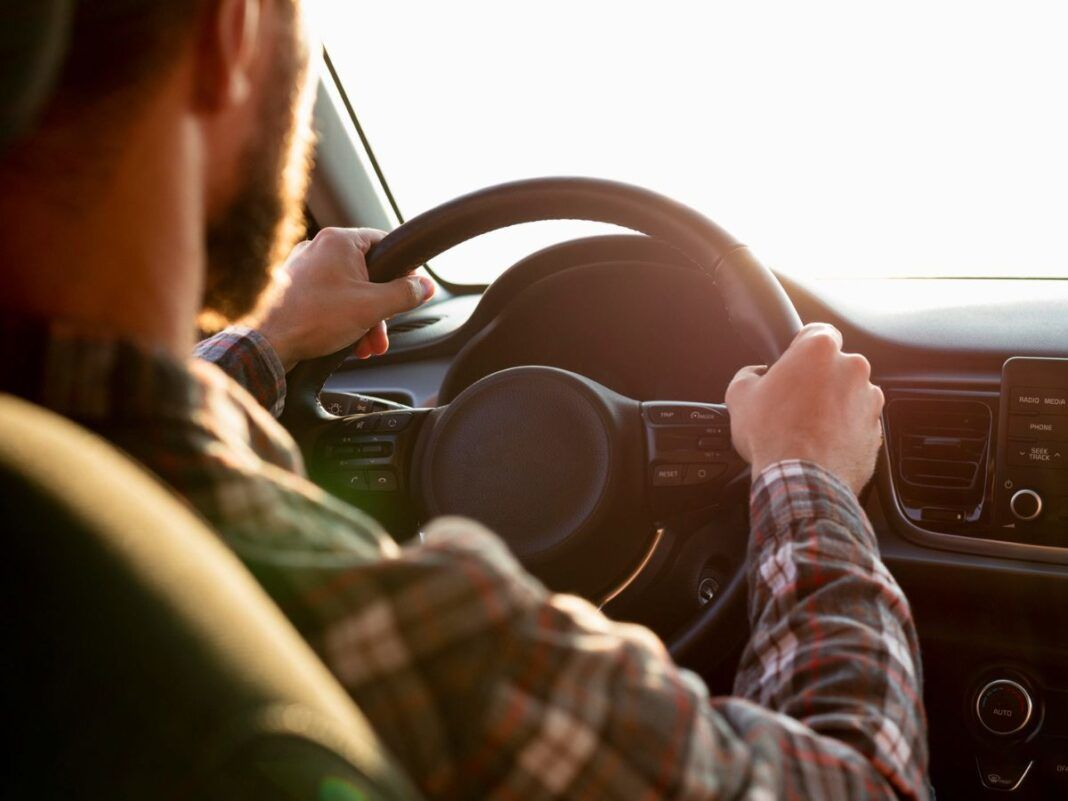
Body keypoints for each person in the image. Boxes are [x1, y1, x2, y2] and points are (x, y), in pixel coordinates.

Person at [0, 1, 927, 798]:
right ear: (229, 34)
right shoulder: (369, 615)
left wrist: (271, 336)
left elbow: (104, 418)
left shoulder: (58, 465)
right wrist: (807, 474)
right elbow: (859, 780)